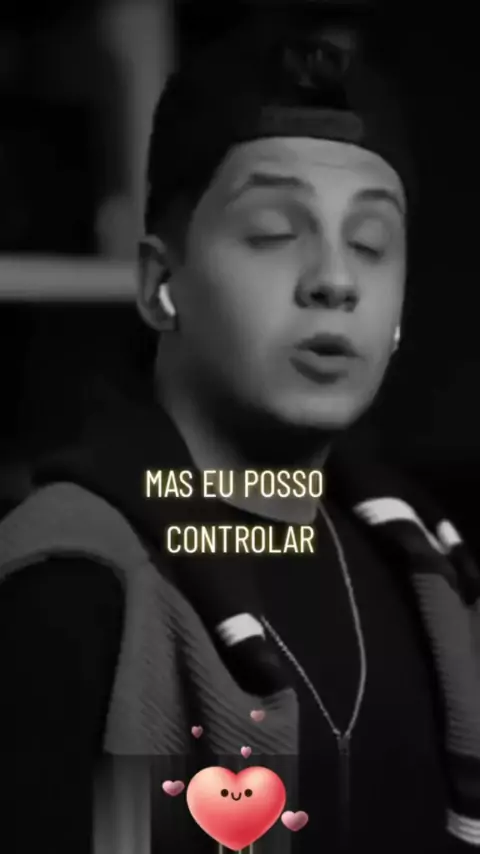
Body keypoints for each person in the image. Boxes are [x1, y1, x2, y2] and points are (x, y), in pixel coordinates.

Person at [0, 6, 478, 854]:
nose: (335, 280)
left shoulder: (432, 573)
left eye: (372, 243)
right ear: (160, 284)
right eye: (273, 233)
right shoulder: (73, 584)